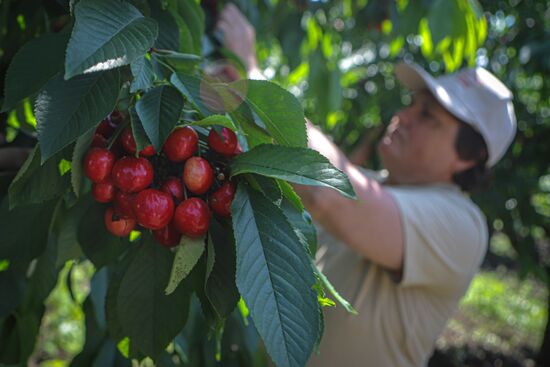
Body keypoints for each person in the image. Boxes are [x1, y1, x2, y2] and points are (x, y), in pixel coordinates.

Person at [217, 5, 516, 367]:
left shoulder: (462, 224)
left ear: (468, 157)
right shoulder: (377, 185)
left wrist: (255, 80)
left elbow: (328, 196)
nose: (401, 116)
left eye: (427, 116)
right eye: (412, 104)